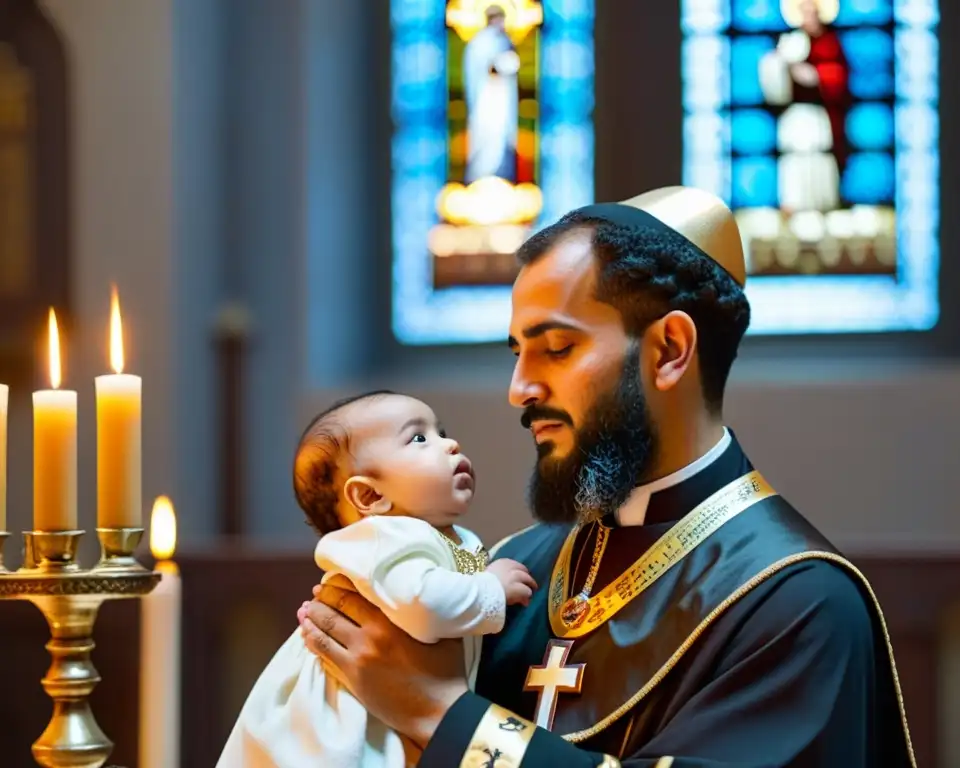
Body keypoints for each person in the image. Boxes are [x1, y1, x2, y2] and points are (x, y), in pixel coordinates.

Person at [297, 186, 917, 767]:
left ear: (669, 350)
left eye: (557, 349)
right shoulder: (509, 570)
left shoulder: (796, 601)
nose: (519, 390)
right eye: (518, 353)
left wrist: (439, 713)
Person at [217, 391, 537, 768]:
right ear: (369, 495)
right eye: (419, 438)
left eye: (441, 432)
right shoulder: (384, 538)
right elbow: (425, 605)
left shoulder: (437, 536)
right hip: (338, 719)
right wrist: (492, 588)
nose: (450, 444)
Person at [758, 0, 851, 213]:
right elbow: (774, 81)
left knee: (818, 163)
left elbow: (837, 75)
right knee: (794, 165)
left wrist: (814, 76)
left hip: (818, 115)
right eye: (803, 11)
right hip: (794, 116)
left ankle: (823, 208)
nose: (808, 17)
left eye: (812, 11)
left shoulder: (829, 42)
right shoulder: (791, 41)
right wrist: (778, 63)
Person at [462, 4, 520, 184]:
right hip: (486, 98)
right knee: (486, 135)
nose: (502, 23)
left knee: (501, 136)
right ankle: (481, 174)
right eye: (498, 19)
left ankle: (502, 172)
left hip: (502, 96)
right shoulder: (479, 42)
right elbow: (478, 70)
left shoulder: (505, 41)